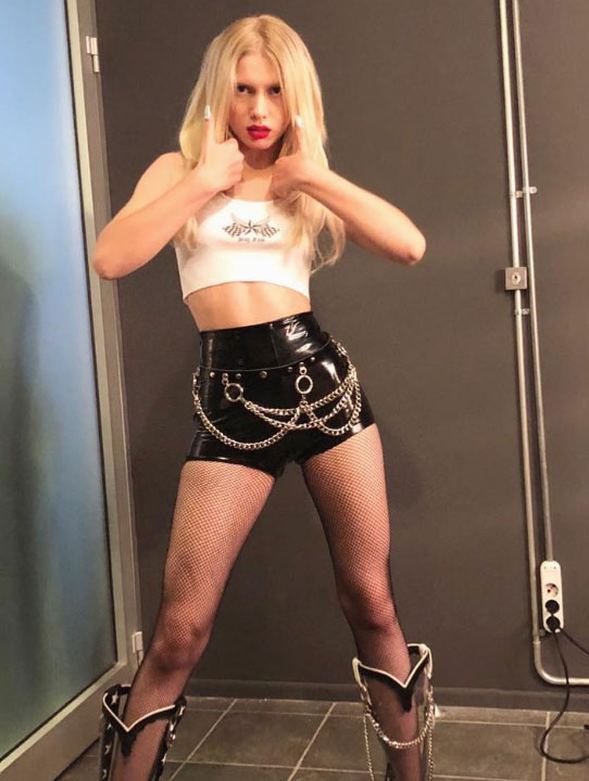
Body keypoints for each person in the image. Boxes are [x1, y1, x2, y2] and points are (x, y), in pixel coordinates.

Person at [92, 14, 435, 781]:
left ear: (294, 97)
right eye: (243, 89)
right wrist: (202, 182)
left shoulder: (302, 178)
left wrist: (311, 174)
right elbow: (111, 257)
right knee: (180, 628)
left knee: (370, 600)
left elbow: (409, 244)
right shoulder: (178, 169)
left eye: (275, 91)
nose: (257, 108)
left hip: (325, 389)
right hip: (231, 398)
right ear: (219, 92)